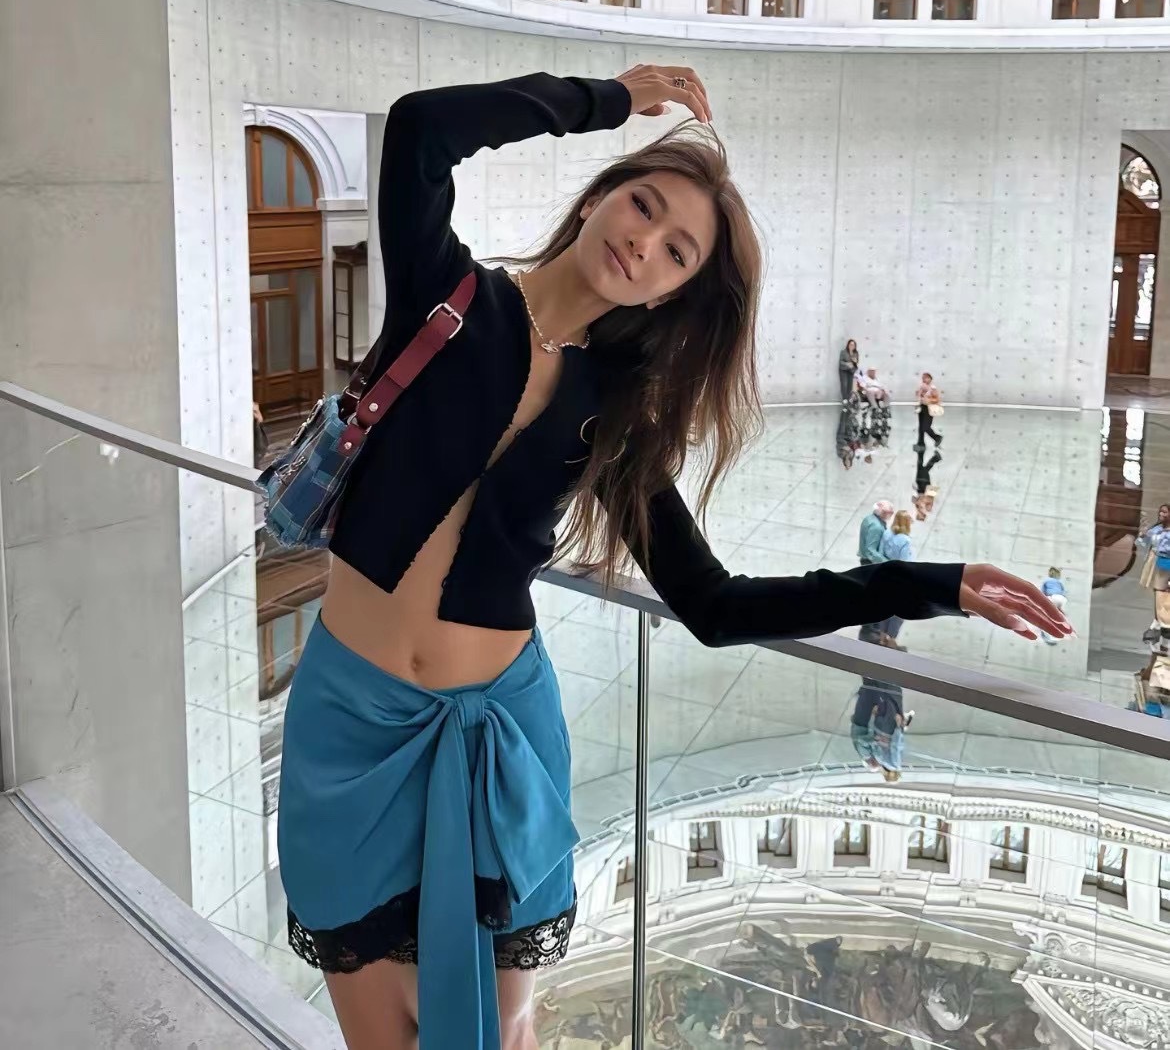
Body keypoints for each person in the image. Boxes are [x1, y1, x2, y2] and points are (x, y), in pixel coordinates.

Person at [275, 65, 1070, 1050]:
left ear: (676, 291)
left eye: (676, 251)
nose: (643, 243)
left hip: (503, 741)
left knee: (503, 1031)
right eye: (642, 205)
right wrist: (608, 99)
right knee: (382, 1034)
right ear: (600, 197)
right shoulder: (452, 299)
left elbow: (716, 602)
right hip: (351, 723)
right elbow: (420, 127)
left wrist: (933, 583)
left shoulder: (610, 411)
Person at [861, 509, 914, 649]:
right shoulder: (905, 540)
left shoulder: (887, 534)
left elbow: (880, 552)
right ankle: (891, 638)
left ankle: (882, 636)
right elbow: (905, 562)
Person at [858, 500, 894, 565]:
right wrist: (888, 563)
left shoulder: (869, 518)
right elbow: (871, 551)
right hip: (870, 562)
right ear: (882, 513)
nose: (891, 514)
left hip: (866, 559)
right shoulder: (876, 527)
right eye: (890, 512)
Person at [915, 371, 942, 450]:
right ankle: (920, 443)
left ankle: (937, 437)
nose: (924, 379)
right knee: (921, 427)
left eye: (925, 378)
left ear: (930, 378)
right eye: (923, 378)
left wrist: (929, 399)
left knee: (926, 427)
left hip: (929, 408)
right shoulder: (922, 386)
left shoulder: (932, 388)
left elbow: (937, 399)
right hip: (922, 407)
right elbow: (918, 396)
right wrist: (919, 393)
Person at [1040, 566, 1067, 645]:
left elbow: (1042, 593)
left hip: (1052, 598)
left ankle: (1048, 634)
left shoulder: (1046, 581)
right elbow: (1063, 591)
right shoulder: (1059, 582)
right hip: (1061, 599)